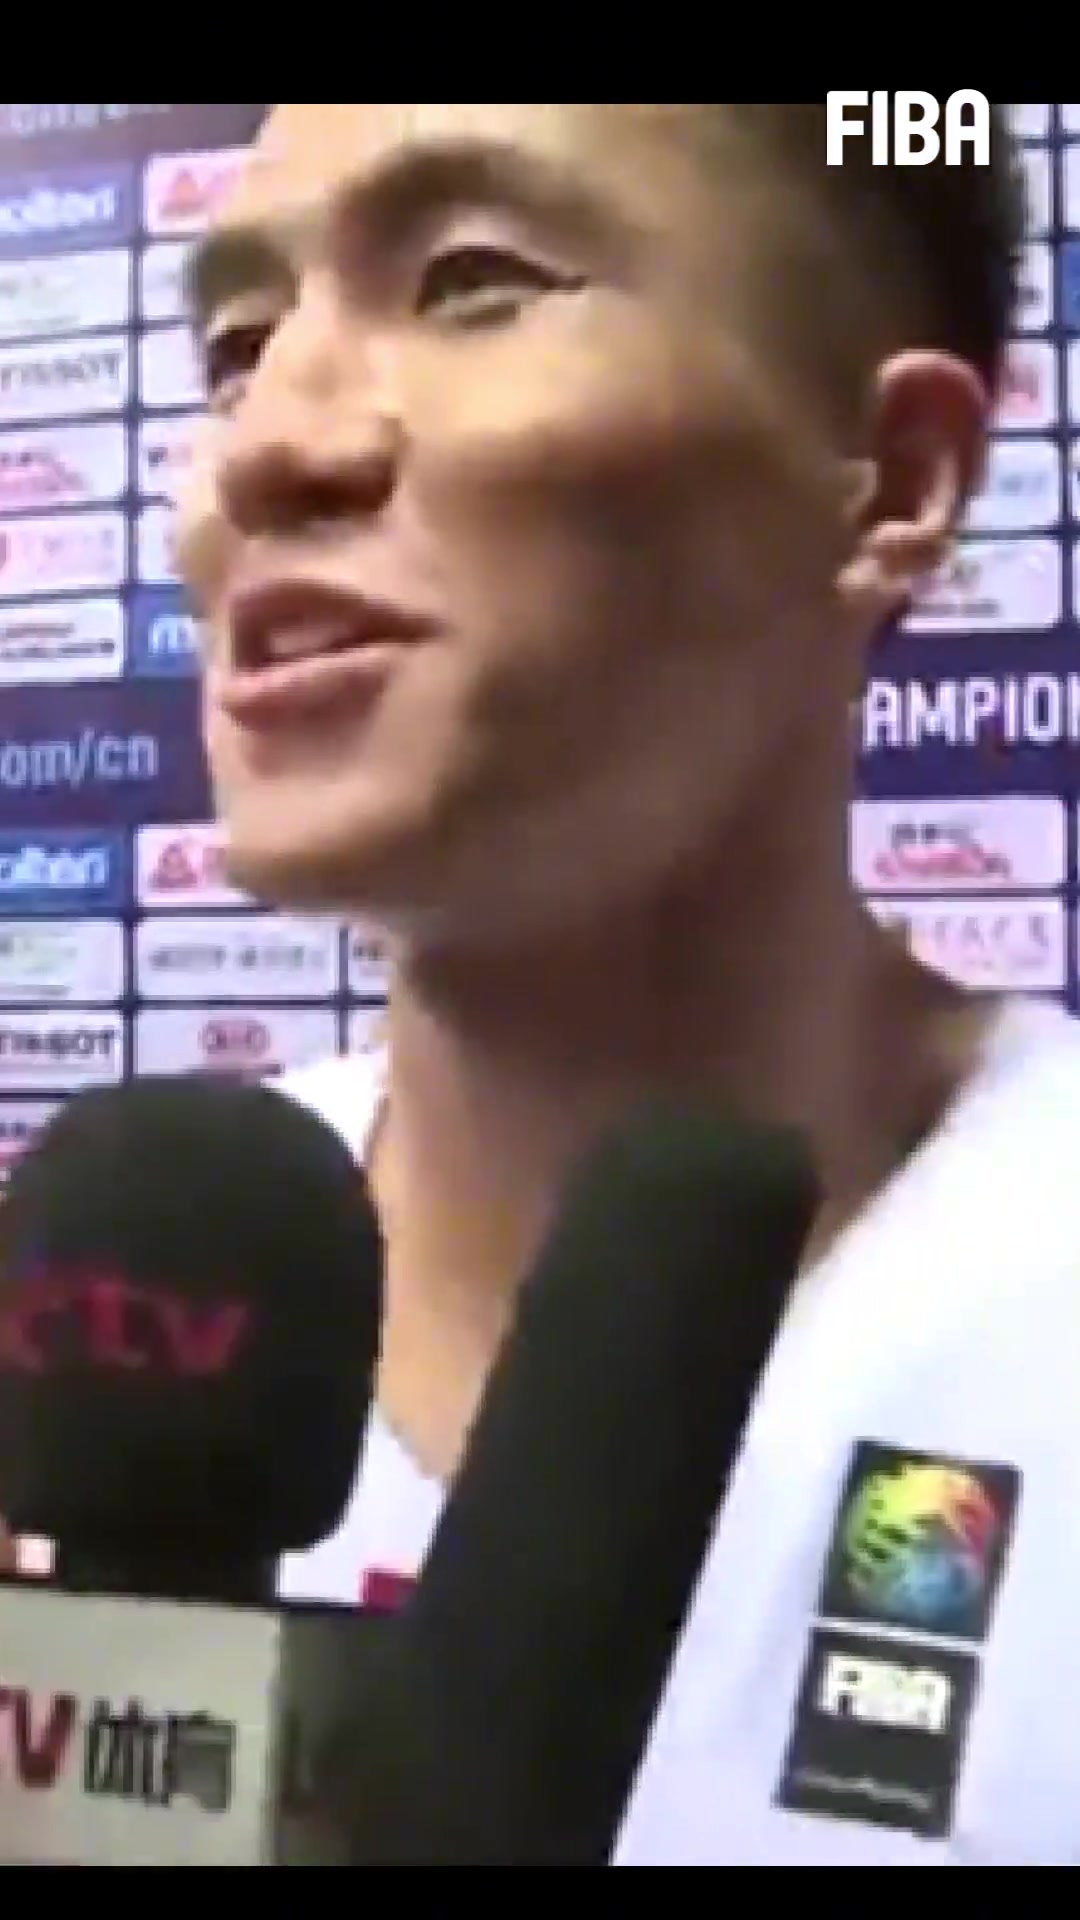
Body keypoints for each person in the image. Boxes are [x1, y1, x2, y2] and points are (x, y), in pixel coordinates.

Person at [175, 104, 1071, 1864]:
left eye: (475, 283)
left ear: (893, 481)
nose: (267, 447)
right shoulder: (80, 1334)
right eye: (237, 344)